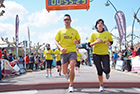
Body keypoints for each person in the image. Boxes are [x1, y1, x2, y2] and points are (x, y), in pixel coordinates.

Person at [55, 14, 81, 92]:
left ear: (71, 20)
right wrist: (60, 48)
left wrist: (77, 42)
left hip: (72, 51)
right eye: (65, 19)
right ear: (63, 21)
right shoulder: (60, 31)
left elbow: (79, 41)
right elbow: (56, 41)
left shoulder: (74, 31)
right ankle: (68, 73)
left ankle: (71, 85)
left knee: (72, 67)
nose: (67, 21)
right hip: (63, 52)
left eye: (68, 19)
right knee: (64, 71)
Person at [88, 19, 113, 92]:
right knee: (99, 71)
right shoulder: (93, 34)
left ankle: (107, 72)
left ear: (103, 25)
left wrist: (109, 43)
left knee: (106, 69)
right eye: (98, 23)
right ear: (96, 26)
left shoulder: (107, 33)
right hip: (96, 54)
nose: (100, 24)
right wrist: (96, 42)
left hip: (105, 54)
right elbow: (89, 44)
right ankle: (101, 85)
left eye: (101, 23)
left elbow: (111, 41)